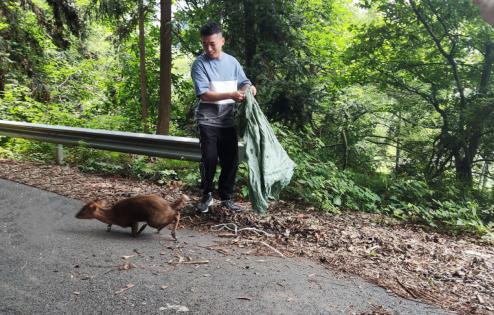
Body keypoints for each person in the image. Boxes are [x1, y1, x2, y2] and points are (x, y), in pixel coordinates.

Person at [191, 21, 257, 213]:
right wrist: (231, 94)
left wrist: (249, 88)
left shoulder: (232, 62)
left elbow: (245, 82)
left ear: (222, 41)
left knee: (231, 160)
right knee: (210, 158)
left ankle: (227, 198)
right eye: (204, 44)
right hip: (207, 121)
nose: (208, 48)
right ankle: (206, 195)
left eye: (212, 43)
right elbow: (204, 94)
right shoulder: (199, 64)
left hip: (227, 121)